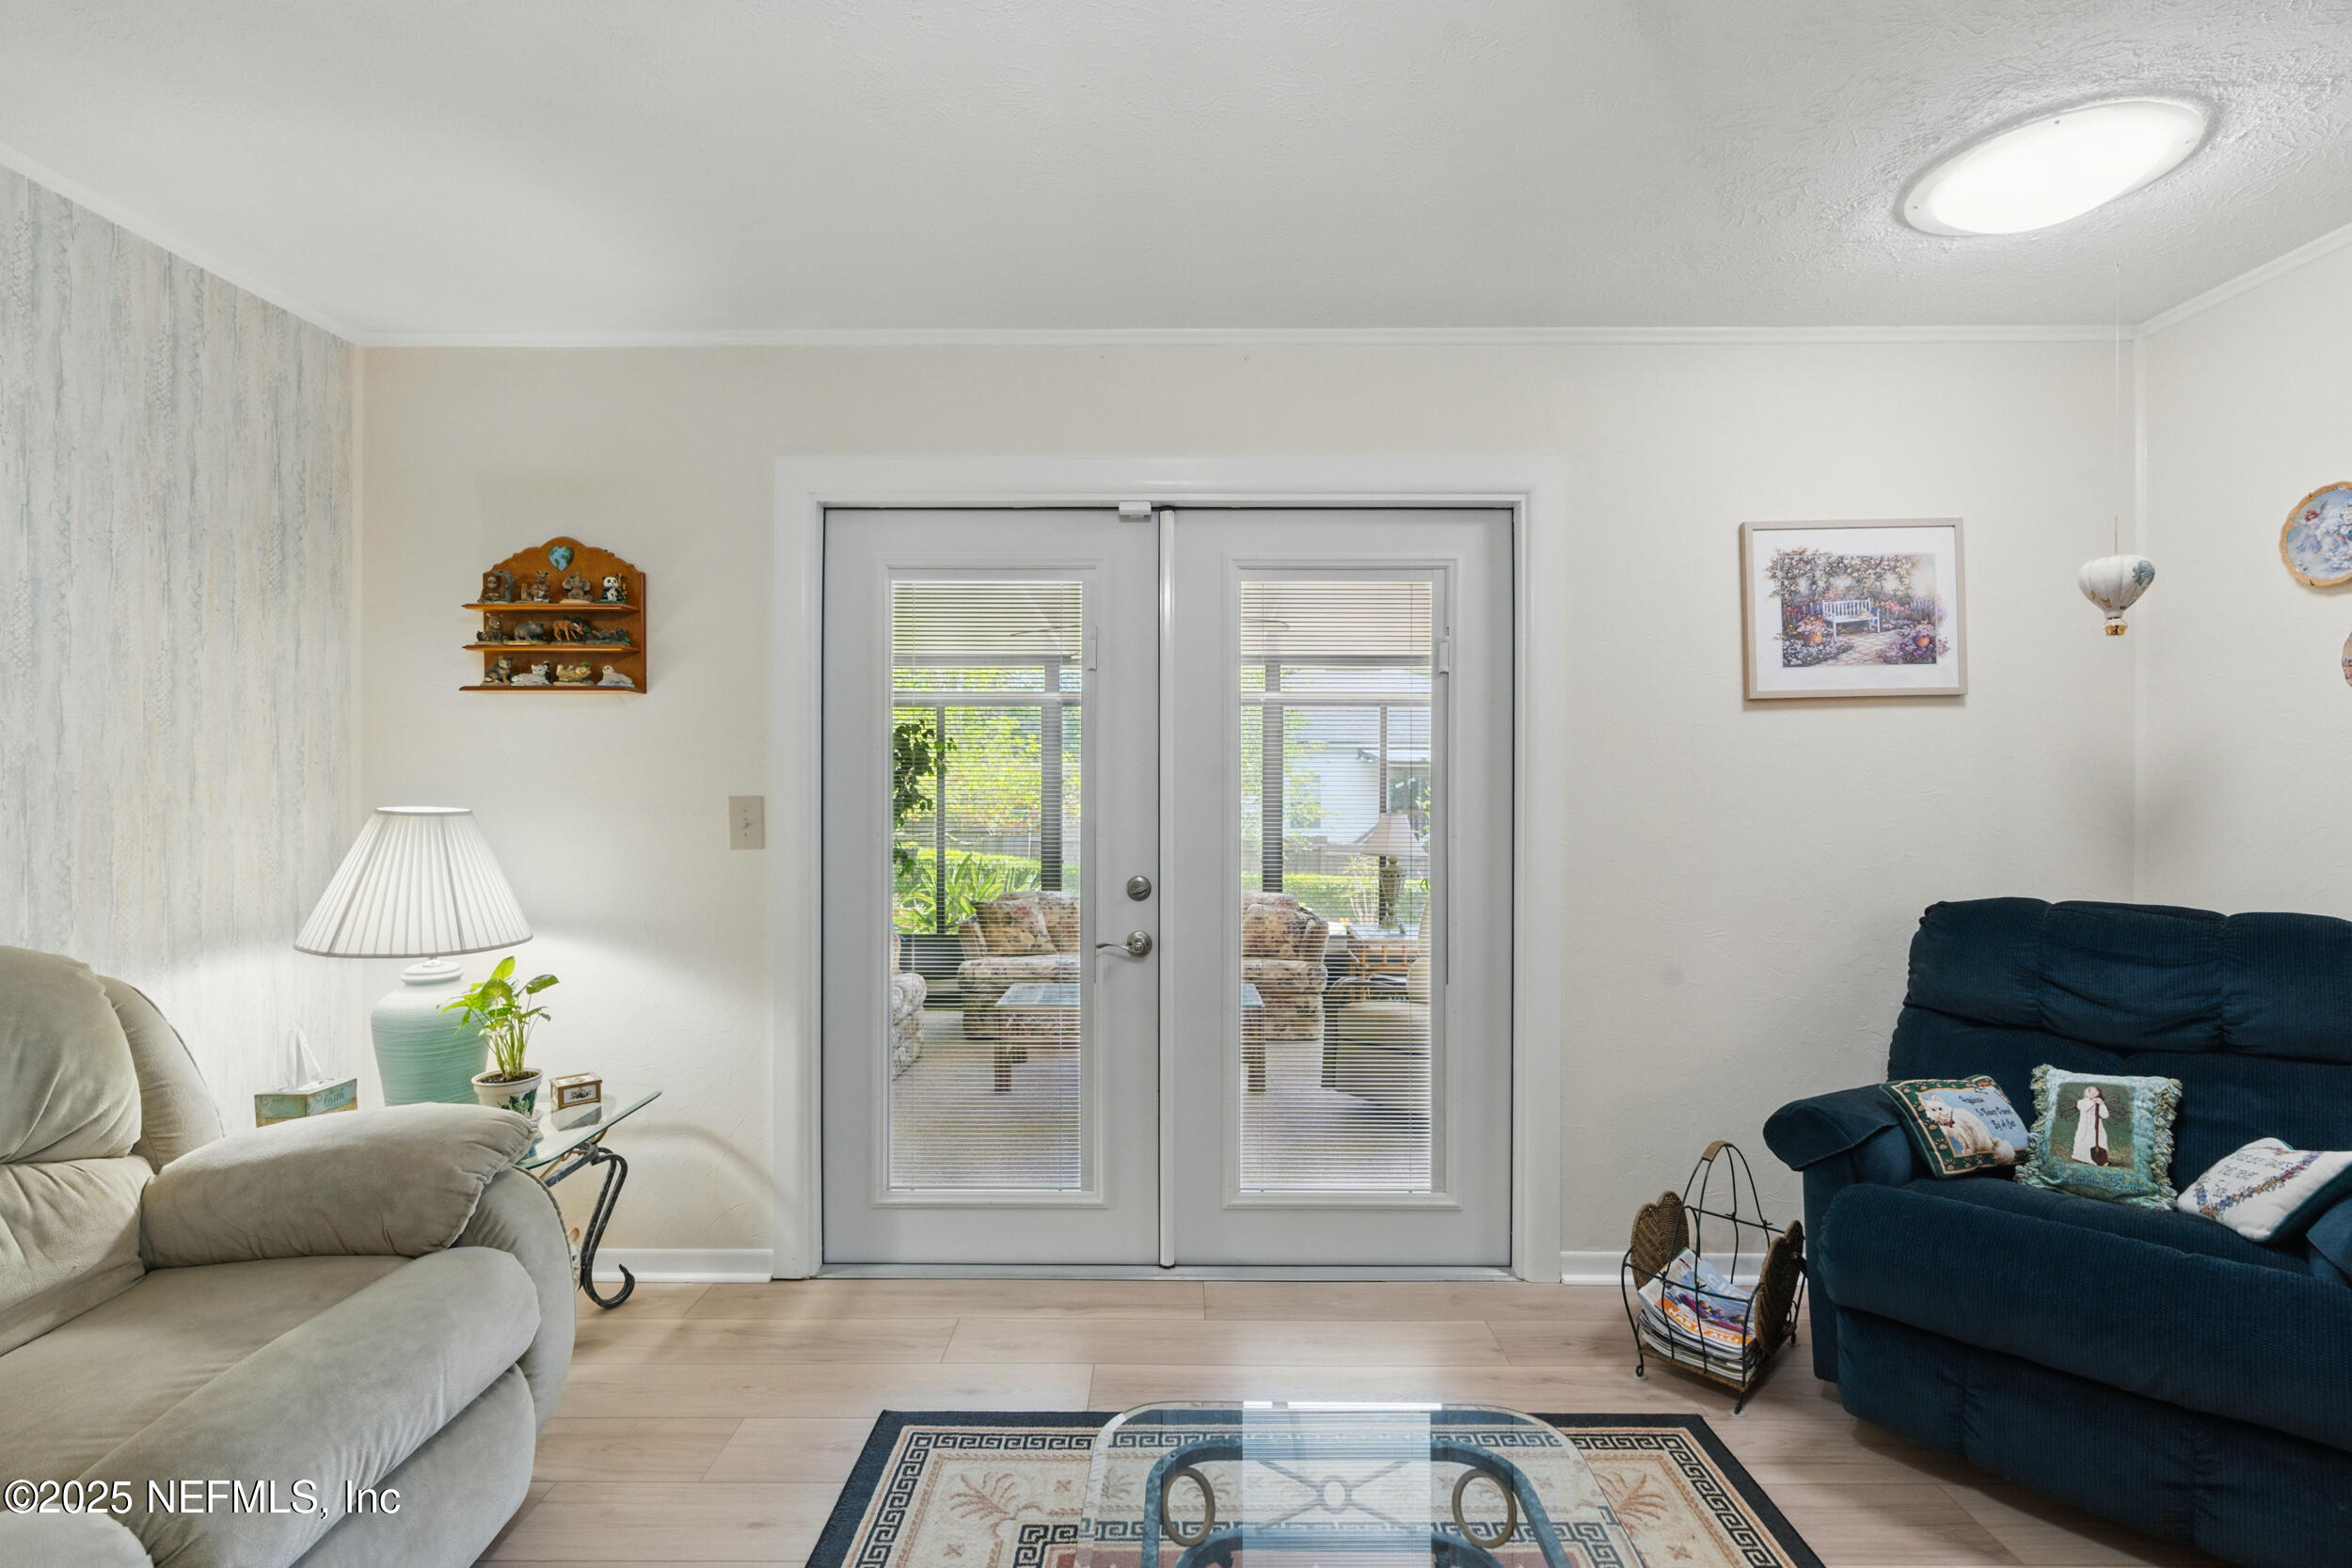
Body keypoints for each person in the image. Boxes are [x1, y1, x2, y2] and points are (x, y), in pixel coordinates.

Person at [2071, 1085, 2110, 1165]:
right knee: (2083, 1141)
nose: (2091, 1089)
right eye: (2089, 1089)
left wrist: (2102, 1104)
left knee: (2100, 1141)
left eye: (2094, 1090)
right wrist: (2092, 1102)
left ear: (2097, 1095)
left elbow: (2105, 1115)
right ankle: (2082, 1157)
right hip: (2084, 1127)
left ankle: (2102, 1159)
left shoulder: (2098, 1104)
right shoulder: (2081, 1102)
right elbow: (2085, 1108)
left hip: (2097, 1127)